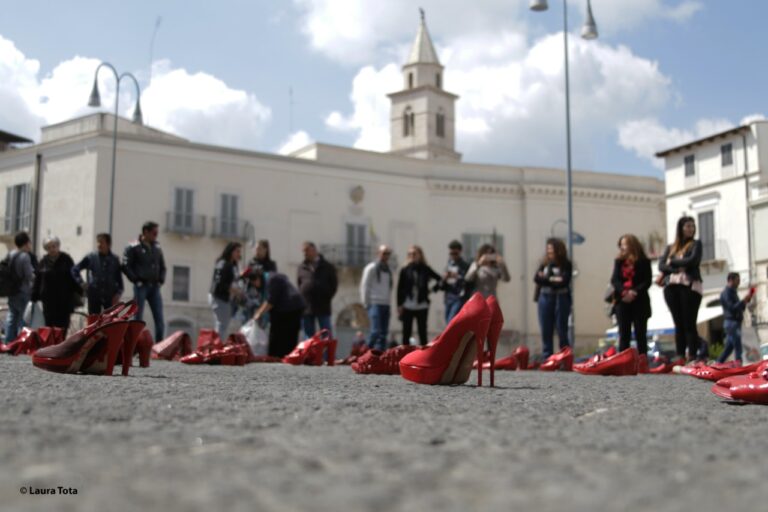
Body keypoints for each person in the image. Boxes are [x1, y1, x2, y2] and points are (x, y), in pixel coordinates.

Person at [658, 216, 703, 362]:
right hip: (671, 286)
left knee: (689, 321)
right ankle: (680, 354)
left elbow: (693, 260)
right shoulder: (671, 247)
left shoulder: (696, 244)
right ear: (681, 228)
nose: (691, 229)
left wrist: (674, 262)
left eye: (692, 226)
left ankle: (693, 355)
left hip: (689, 286)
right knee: (678, 322)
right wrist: (677, 266)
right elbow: (661, 265)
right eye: (688, 226)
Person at [610, 234, 652, 366]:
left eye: (625, 244)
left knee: (641, 332)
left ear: (632, 245)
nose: (623, 247)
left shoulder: (644, 261)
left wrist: (634, 292)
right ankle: (624, 362)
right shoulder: (619, 261)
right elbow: (615, 279)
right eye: (621, 244)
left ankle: (642, 361)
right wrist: (623, 292)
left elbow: (647, 280)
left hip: (639, 300)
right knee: (624, 333)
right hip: (623, 301)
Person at [122, 221, 166, 342]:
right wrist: (135, 279)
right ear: (145, 232)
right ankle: (134, 344)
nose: (156, 236)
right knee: (137, 318)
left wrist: (161, 280)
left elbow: (162, 266)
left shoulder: (157, 247)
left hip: (154, 286)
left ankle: (159, 346)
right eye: (154, 233)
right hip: (141, 286)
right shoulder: (133, 246)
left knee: (159, 318)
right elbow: (126, 265)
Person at [251, 268, 306, 358]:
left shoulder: (272, 279)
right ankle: (283, 357)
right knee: (285, 337)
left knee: (284, 337)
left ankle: (280, 357)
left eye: (255, 282)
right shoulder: (272, 278)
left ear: (258, 277)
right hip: (289, 309)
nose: (256, 285)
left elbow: (271, 301)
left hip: (289, 310)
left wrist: (258, 313)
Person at [534, 238, 572, 359]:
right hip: (545, 298)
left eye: (551, 248)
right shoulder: (544, 264)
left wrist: (547, 279)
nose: (549, 251)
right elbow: (537, 279)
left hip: (561, 299)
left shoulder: (566, 264)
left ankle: (565, 356)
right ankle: (547, 357)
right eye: (548, 248)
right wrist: (553, 279)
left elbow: (564, 281)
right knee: (546, 329)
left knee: (562, 329)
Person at [397, 245, 441, 346]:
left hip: (422, 305)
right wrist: (399, 305)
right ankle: (404, 357)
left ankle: (423, 357)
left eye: (414, 254)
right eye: (410, 254)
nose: (412, 256)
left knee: (422, 332)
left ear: (420, 255)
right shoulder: (405, 269)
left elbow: (440, 279)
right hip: (408, 305)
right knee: (406, 332)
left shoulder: (425, 268)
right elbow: (399, 289)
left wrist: (432, 290)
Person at [32, 236, 78, 333]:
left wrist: (80, 291)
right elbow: (38, 280)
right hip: (48, 302)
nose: (52, 249)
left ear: (58, 246)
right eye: (49, 247)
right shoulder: (43, 262)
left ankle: (61, 346)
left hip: (64, 301)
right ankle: (50, 347)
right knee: (48, 328)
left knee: (62, 328)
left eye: (54, 246)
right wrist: (34, 295)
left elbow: (74, 277)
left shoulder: (66, 259)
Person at [71, 233, 124, 315]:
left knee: (111, 322)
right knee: (94, 321)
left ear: (108, 244)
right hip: (94, 295)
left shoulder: (115, 259)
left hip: (110, 296)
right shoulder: (91, 257)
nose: (99, 245)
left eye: (101, 242)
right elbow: (75, 270)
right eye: (98, 242)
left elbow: (119, 280)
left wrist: (118, 294)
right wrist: (81, 283)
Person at [297, 241, 338, 338]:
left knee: (326, 334)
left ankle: (326, 353)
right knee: (308, 336)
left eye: (307, 250)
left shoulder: (328, 266)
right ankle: (311, 353)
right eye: (303, 251)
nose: (304, 254)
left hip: (323, 305)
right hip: (307, 307)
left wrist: (326, 295)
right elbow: (299, 283)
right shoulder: (301, 267)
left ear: (314, 250)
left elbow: (334, 284)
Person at [716, 273, 755, 365]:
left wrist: (745, 301)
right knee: (737, 344)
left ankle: (718, 363)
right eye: (737, 280)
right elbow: (731, 308)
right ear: (731, 280)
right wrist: (743, 301)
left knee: (729, 347)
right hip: (731, 322)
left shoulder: (733, 292)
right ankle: (739, 363)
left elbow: (740, 308)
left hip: (735, 322)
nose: (739, 283)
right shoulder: (726, 293)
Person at [360, 245, 393, 351]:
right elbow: (365, 285)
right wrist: (366, 303)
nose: (386, 256)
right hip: (374, 303)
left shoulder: (388, 270)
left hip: (386, 304)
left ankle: (379, 356)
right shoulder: (371, 268)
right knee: (375, 331)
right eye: (384, 253)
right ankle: (365, 352)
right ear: (378, 253)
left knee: (383, 333)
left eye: (388, 253)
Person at [4, 232, 35, 343]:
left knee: (12, 316)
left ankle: (8, 341)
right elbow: (29, 275)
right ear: (26, 243)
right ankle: (21, 342)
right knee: (23, 318)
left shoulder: (11, 254)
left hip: (11, 291)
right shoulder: (25, 256)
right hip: (23, 291)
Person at [209, 242, 243, 339]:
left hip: (225, 299)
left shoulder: (232, 266)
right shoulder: (223, 264)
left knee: (223, 325)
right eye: (237, 251)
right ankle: (218, 346)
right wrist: (234, 291)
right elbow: (219, 283)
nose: (239, 254)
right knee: (221, 325)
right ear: (231, 251)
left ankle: (218, 344)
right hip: (220, 298)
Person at [441, 240, 470, 323]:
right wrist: (445, 278)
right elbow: (442, 284)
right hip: (448, 297)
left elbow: (469, 281)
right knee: (448, 322)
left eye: (455, 253)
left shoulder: (465, 266)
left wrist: (457, 276)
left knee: (451, 321)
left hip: (459, 298)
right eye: (451, 254)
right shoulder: (448, 265)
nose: (453, 256)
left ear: (460, 252)